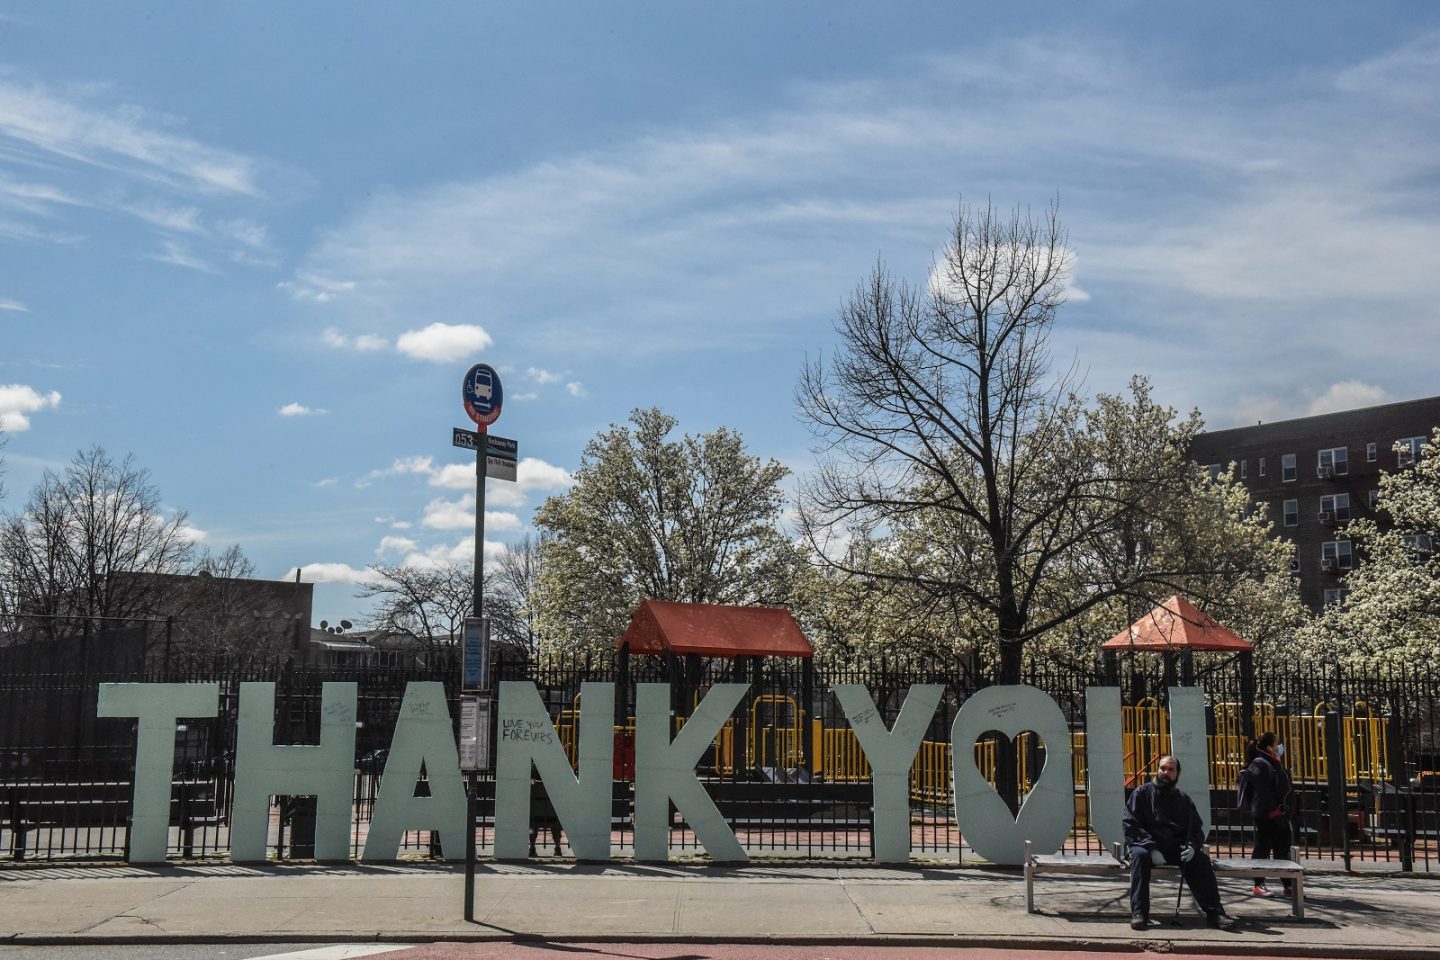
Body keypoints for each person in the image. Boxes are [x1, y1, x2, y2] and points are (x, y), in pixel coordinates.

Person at [1123, 754, 1238, 931]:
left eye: (1170, 769)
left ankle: (1216, 914)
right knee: (1140, 857)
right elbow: (1131, 825)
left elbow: (1195, 829)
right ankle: (1139, 914)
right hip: (1145, 846)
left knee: (1200, 861)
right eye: (1162, 768)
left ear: (1177, 773)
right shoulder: (1141, 794)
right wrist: (1151, 847)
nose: (1165, 773)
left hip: (1174, 848)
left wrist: (1192, 846)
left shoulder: (1183, 799)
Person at [1242, 732, 1293, 897]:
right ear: (1270, 747)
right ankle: (1258, 884)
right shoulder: (1260, 764)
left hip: (1280, 813)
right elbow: (1263, 792)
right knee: (1262, 848)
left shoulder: (1274, 762)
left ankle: (1288, 884)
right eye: (1277, 743)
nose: (1279, 747)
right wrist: (1273, 810)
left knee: (1282, 849)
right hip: (1267, 814)